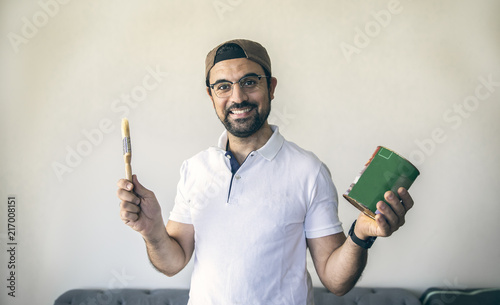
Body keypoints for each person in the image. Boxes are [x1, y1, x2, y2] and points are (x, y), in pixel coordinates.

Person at [116, 39, 414, 305]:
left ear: (270, 87)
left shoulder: (308, 171)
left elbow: (336, 281)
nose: (237, 97)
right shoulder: (195, 169)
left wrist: (361, 234)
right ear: (211, 97)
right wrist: (151, 230)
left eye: (249, 82)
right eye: (223, 86)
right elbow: (173, 262)